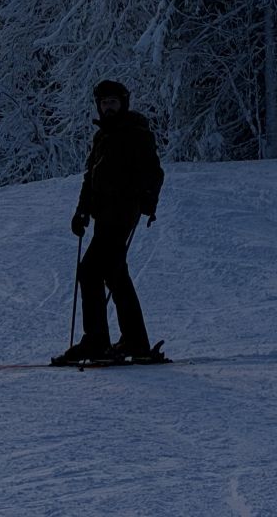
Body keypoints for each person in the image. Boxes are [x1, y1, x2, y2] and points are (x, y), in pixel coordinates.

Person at [52, 79, 164, 364]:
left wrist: (146, 202)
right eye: (104, 103)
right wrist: (81, 212)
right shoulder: (102, 137)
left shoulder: (135, 133)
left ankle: (97, 342)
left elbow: (153, 171)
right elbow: (91, 179)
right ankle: (136, 341)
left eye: (113, 102)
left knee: (90, 271)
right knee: (115, 275)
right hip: (104, 215)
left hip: (122, 213)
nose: (108, 107)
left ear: (123, 103)